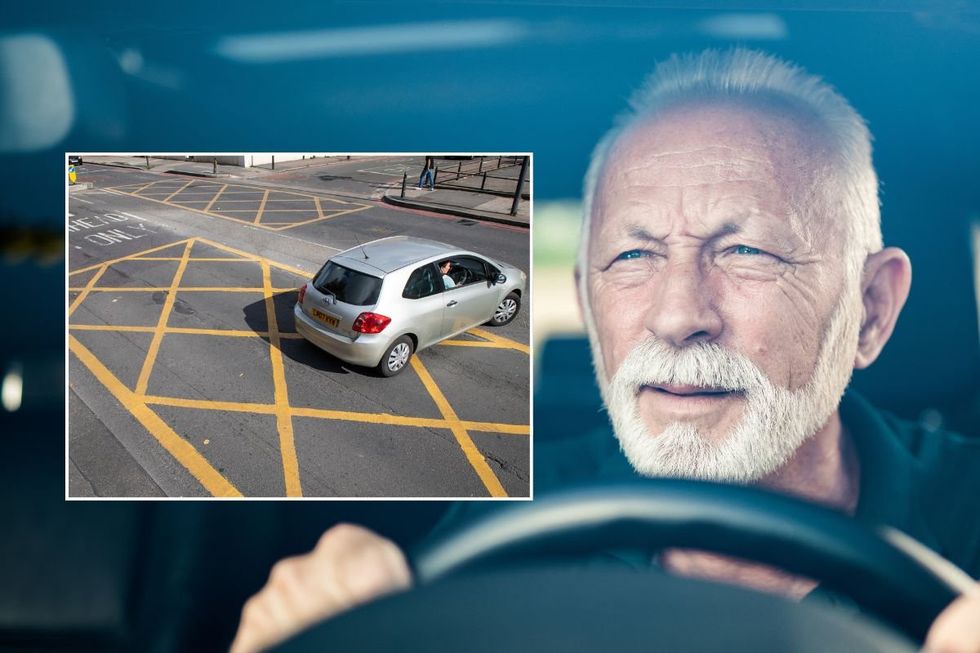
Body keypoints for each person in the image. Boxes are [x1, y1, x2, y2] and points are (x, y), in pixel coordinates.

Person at [230, 49, 980, 653]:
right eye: (633, 256)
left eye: (747, 250)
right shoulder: (502, 534)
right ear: (588, 305)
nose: (676, 316)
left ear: (871, 311)